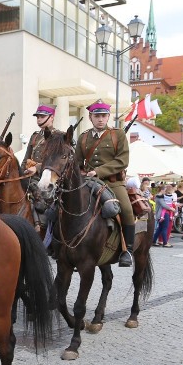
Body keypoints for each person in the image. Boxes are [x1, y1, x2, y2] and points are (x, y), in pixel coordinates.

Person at [75, 101, 135, 267]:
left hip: (113, 183)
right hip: (88, 181)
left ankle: (127, 250)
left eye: (103, 116)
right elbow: (77, 162)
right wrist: (79, 172)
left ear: (108, 117)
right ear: (90, 117)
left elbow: (122, 160)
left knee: (127, 210)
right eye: (97, 116)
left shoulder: (118, 135)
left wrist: (99, 171)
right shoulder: (83, 137)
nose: (100, 119)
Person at [21, 104, 58, 176]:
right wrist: (21, 172)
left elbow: (56, 161)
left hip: (48, 176)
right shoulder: (35, 136)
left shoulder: (58, 136)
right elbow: (26, 158)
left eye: (42, 117)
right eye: (37, 117)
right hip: (31, 174)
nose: (39, 119)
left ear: (52, 117)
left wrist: (37, 168)